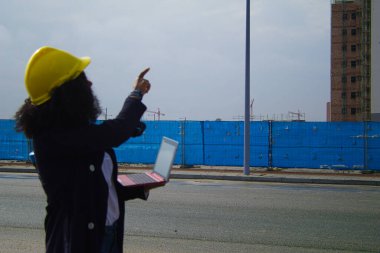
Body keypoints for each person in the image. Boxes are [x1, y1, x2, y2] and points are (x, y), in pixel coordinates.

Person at [14, 46, 152, 253]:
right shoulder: (53, 137)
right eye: (82, 78)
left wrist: (140, 186)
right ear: (67, 92)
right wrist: (136, 94)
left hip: (107, 235)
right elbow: (114, 132)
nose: (90, 83)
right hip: (80, 242)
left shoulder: (76, 132)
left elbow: (98, 186)